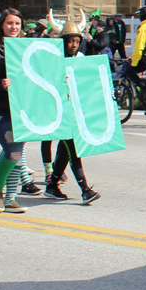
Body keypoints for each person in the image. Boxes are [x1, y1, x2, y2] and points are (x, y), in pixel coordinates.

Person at [43, 18, 101, 205]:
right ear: (63, 42)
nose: (74, 44)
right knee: (73, 149)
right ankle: (85, 190)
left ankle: (52, 185)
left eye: (77, 41)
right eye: (70, 41)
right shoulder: (54, 60)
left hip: (76, 111)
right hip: (60, 111)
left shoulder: (82, 59)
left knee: (65, 151)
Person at [0, 8, 28, 213]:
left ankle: (10, 199)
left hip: (22, 108)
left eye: (17, 24)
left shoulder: (27, 48)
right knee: (12, 152)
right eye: (9, 23)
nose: (13, 27)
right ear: (2, 26)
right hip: (0, 107)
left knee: (17, 154)